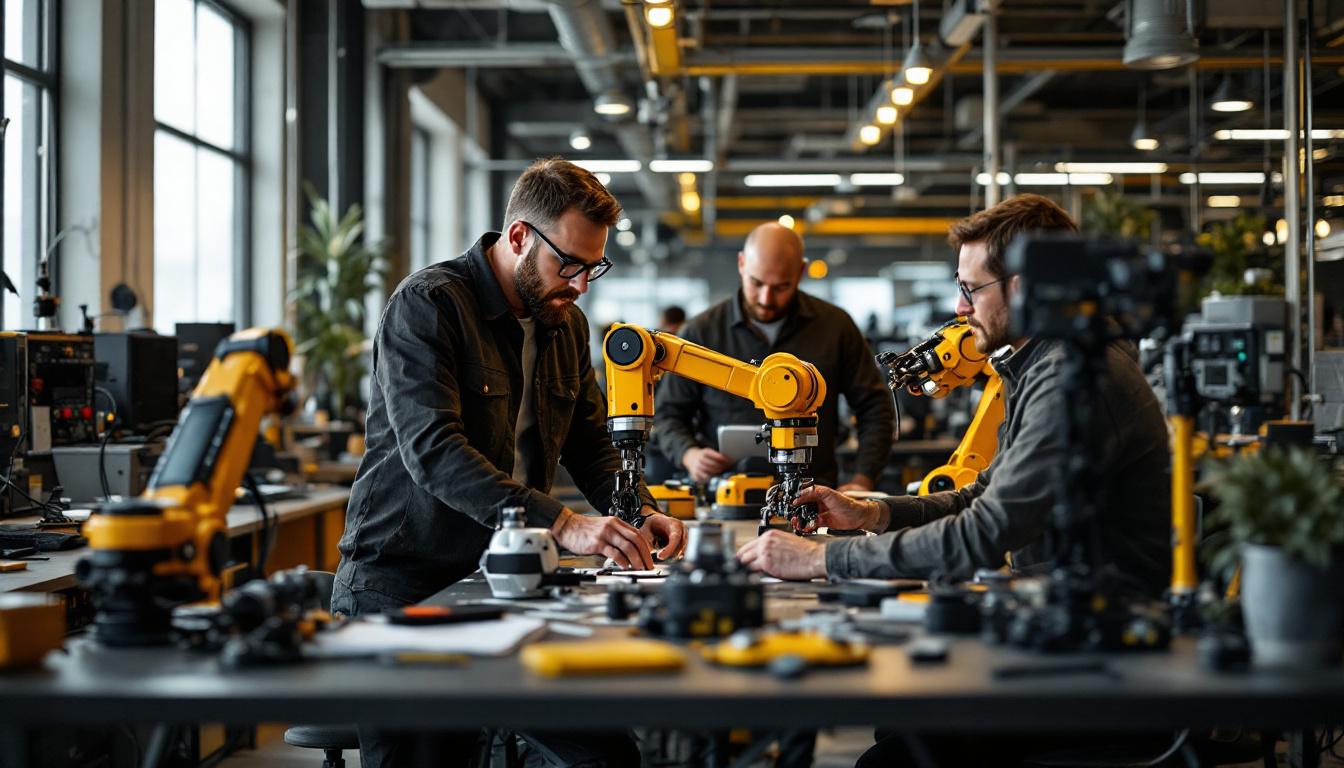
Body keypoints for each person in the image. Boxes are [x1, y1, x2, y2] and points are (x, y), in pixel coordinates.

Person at [333, 157, 686, 767]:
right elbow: (433, 451)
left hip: (511, 583)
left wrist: (639, 510)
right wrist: (566, 525)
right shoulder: (429, 305)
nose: (579, 285)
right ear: (520, 237)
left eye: (592, 269)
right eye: (569, 266)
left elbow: (591, 443)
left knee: (604, 756)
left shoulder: (566, 325)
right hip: (406, 583)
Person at [737, 193, 1171, 601]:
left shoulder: (1072, 378)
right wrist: (869, 513)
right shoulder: (1042, 367)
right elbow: (978, 498)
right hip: (1062, 601)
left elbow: (985, 532)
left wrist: (821, 558)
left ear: (1020, 288)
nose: (959, 309)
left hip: (1106, 625)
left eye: (970, 289)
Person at [652, 222, 894, 491]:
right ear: (742, 264)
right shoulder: (701, 333)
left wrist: (863, 480)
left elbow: (875, 408)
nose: (766, 298)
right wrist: (689, 454)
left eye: (781, 287)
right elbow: (667, 413)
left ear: (801, 272)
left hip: (815, 497)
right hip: (725, 495)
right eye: (757, 283)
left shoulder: (836, 327)